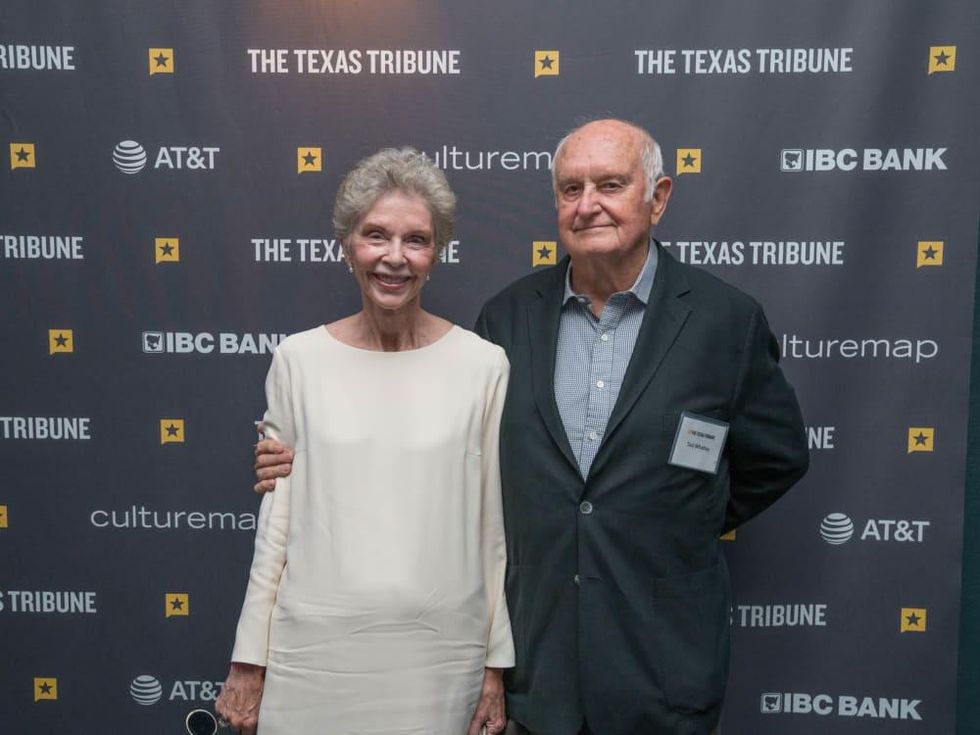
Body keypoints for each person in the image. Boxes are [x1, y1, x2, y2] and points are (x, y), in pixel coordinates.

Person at [253, 120, 809, 734]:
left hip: (663, 665)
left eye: (611, 184)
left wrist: (675, 516)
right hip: (538, 673)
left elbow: (776, 457)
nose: (588, 204)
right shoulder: (507, 322)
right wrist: (301, 459)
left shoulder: (724, 321)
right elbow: (448, 449)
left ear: (658, 197)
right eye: (571, 189)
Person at [216, 147, 514, 735]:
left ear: (438, 251)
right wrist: (249, 659)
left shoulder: (484, 366)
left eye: (416, 240)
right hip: (313, 656)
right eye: (376, 235)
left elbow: (491, 529)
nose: (394, 258)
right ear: (347, 244)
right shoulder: (298, 360)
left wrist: (494, 664)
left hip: (440, 659)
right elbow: (276, 526)